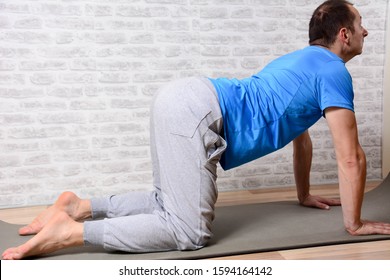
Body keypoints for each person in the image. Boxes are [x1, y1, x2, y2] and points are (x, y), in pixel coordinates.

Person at [3, 0, 390, 260]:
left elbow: (299, 135)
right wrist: (354, 224)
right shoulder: (334, 71)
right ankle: (70, 233)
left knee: (166, 202)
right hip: (200, 112)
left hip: (183, 99)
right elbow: (350, 157)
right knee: (189, 233)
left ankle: (77, 206)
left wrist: (304, 194)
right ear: (344, 34)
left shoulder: (301, 62)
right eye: (361, 25)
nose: (365, 32)